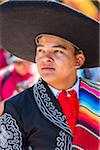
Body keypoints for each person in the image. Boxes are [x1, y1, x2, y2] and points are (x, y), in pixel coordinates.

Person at [0, 1, 99, 150]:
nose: (46, 58)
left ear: (78, 60)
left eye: (58, 51)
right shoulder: (17, 108)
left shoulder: (97, 96)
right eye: (40, 51)